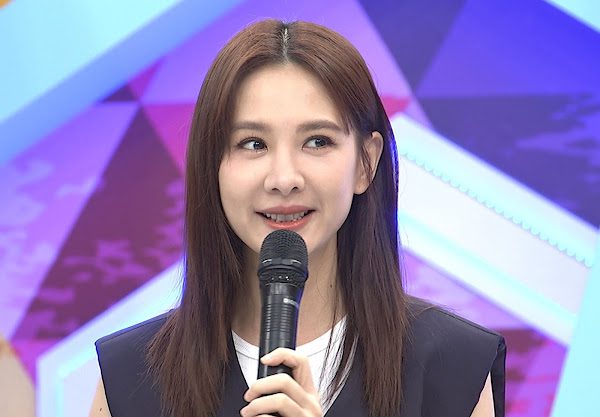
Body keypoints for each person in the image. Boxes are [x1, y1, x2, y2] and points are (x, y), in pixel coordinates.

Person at [90, 19, 505, 417]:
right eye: (253, 143)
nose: (284, 179)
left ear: (366, 162)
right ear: (211, 164)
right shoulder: (131, 377)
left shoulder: (451, 366)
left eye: (317, 141)